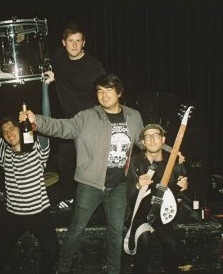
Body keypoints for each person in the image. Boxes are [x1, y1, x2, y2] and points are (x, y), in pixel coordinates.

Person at [24, 73, 174, 274]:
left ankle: (113, 271)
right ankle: (63, 269)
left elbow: (145, 141)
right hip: (90, 185)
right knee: (76, 230)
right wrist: (37, 120)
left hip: (120, 185)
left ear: (119, 92)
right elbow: (63, 127)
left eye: (108, 90)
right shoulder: (87, 116)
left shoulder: (133, 116)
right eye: (99, 91)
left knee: (115, 234)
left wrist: (171, 151)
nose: (103, 95)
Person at [0, 86, 59, 274]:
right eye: (5, 131)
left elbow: (46, 121)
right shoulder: (3, 152)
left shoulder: (37, 148)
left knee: (52, 250)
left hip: (39, 213)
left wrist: (44, 86)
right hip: (14, 214)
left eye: (12, 128)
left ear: (20, 128)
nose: (8, 133)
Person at [46, 21, 106, 209]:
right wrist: (54, 77)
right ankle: (67, 197)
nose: (74, 45)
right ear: (63, 43)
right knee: (65, 162)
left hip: (90, 120)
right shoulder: (58, 58)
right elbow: (39, 55)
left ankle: (97, 200)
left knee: (90, 163)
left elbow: (106, 90)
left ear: (83, 43)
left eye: (78, 41)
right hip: (69, 121)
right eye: (70, 41)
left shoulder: (93, 66)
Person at [125, 123, 188, 273]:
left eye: (156, 136)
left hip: (161, 216)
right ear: (143, 142)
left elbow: (178, 191)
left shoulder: (174, 161)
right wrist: (137, 185)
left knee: (173, 245)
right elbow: (124, 193)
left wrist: (183, 186)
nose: (152, 140)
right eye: (148, 137)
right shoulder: (134, 162)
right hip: (139, 215)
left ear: (163, 140)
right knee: (144, 240)